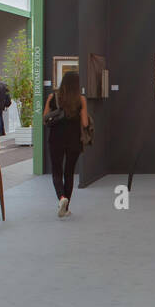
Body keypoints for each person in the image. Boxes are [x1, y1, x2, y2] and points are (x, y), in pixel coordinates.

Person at [43, 70, 88, 218]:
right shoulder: (80, 99)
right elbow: (85, 123)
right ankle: (66, 208)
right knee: (69, 173)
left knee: (56, 171)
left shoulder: (53, 97)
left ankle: (61, 198)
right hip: (73, 140)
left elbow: (45, 118)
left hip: (55, 139)